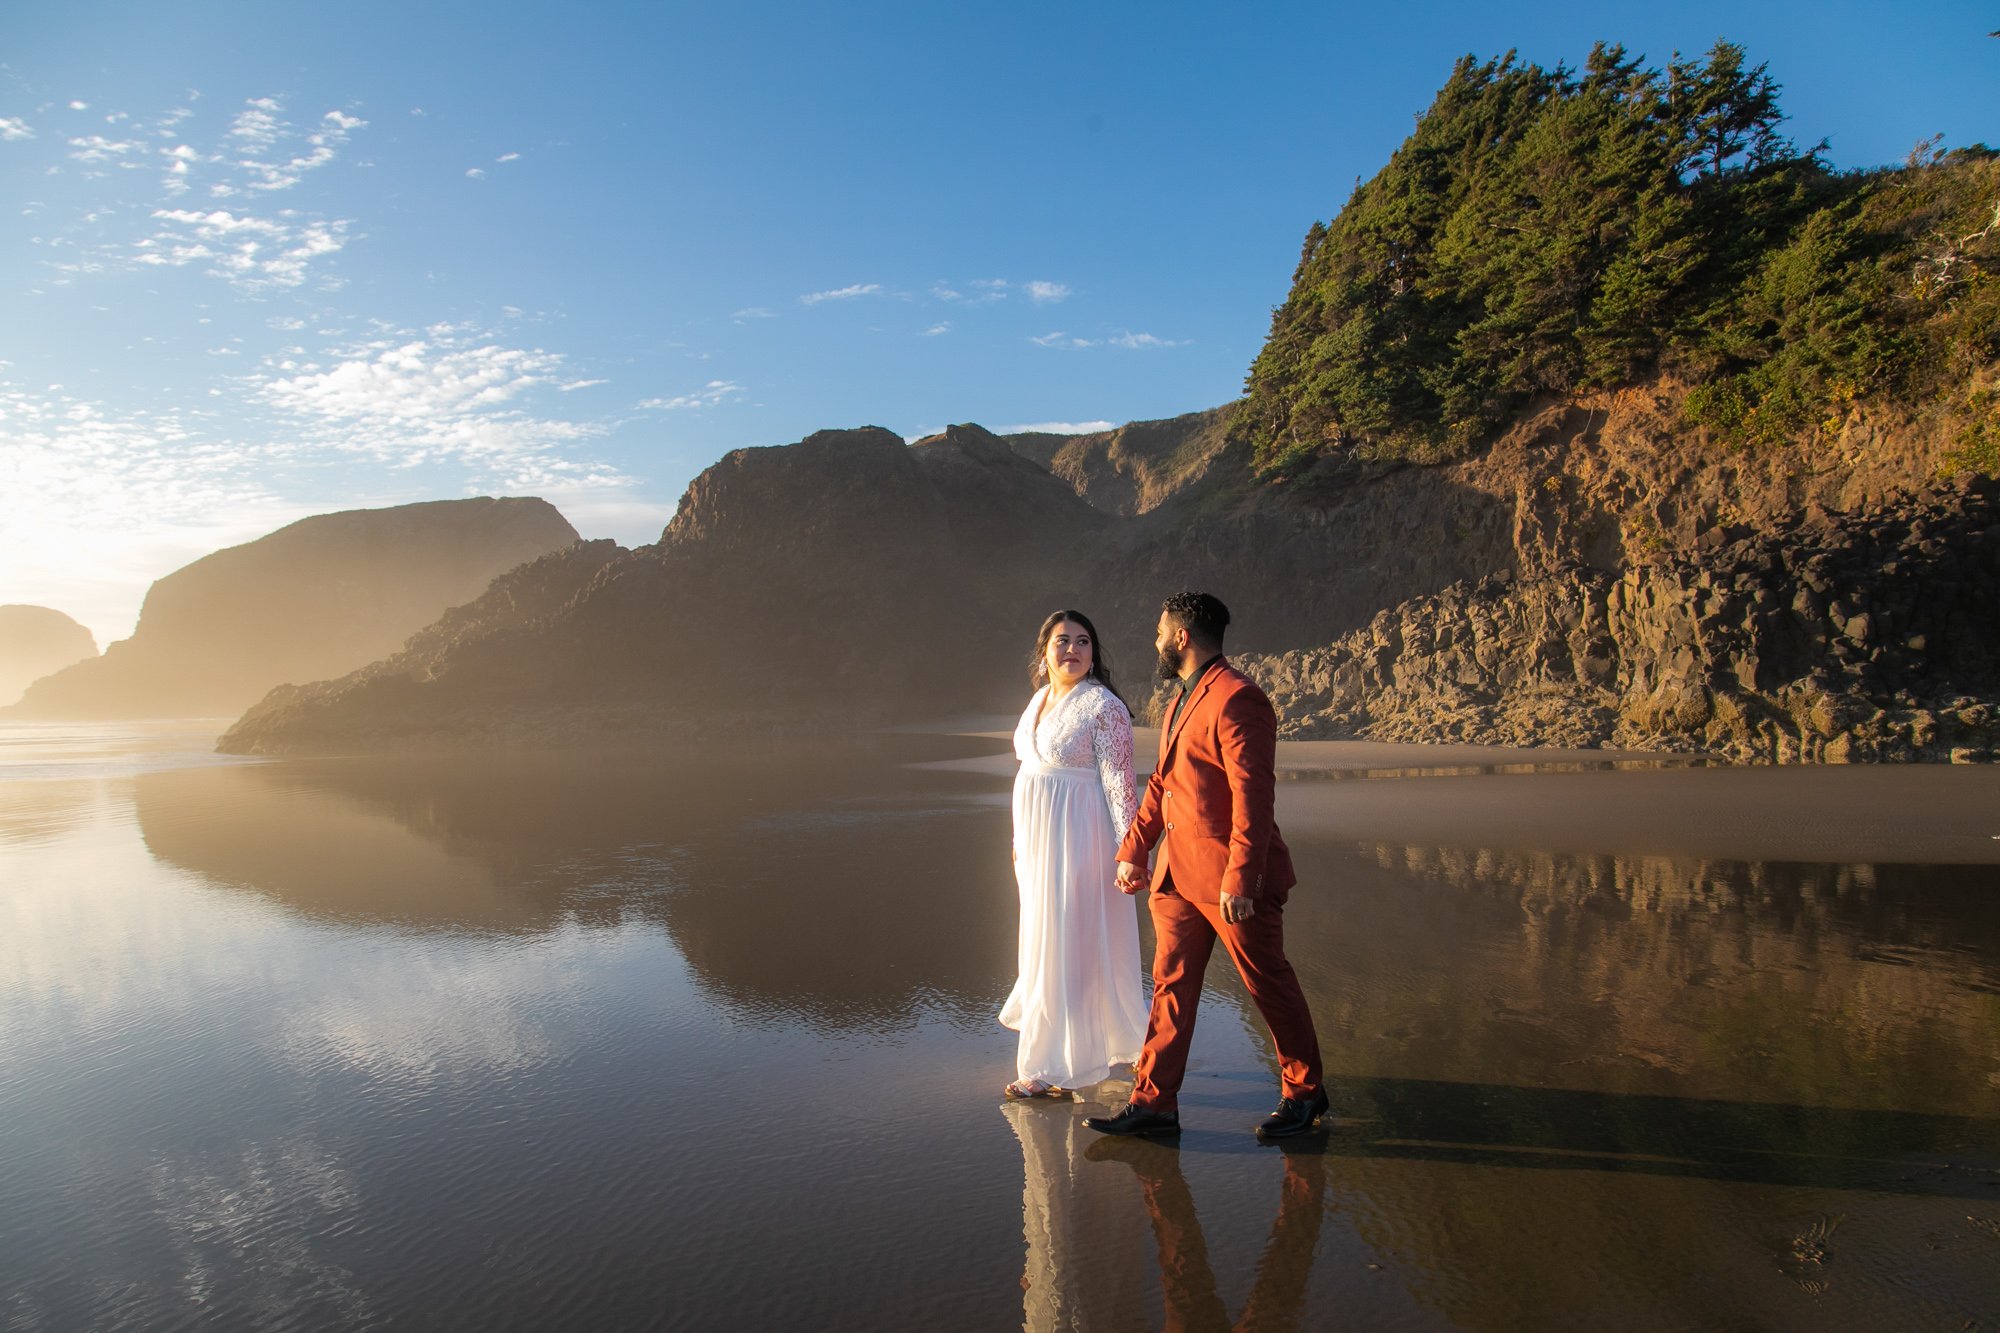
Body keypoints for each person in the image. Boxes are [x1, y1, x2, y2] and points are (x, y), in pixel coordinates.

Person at [1084, 591, 1328, 1140]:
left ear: (1182, 637)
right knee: (1170, 985)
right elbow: (1162, 784)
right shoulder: (1179, 701)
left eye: (1159, 631)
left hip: (1230, 882)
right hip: (1175, 877)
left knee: (1267, 984)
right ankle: (1154, 1103)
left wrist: (1242, 878)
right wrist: (1134, 849)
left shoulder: (1240, 698)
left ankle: (1306, 1093)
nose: (1155, 640)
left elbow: (1254, 797)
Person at [999, 610, 1147, 1100]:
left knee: (1074, 938)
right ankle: (1084, 1046)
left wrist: (1131, 849)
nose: (1073, 650)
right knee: (1045, 937)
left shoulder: (1104, 706)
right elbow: (1032, 774)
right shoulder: (1039, 700)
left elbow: (1120, 783)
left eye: (1083, 642)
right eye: (1062, 641)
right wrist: (1019, 843)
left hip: (1083, 839)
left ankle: (1049, 1064)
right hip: (1039, 845)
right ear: (1044, 651)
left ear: (1094, 653)